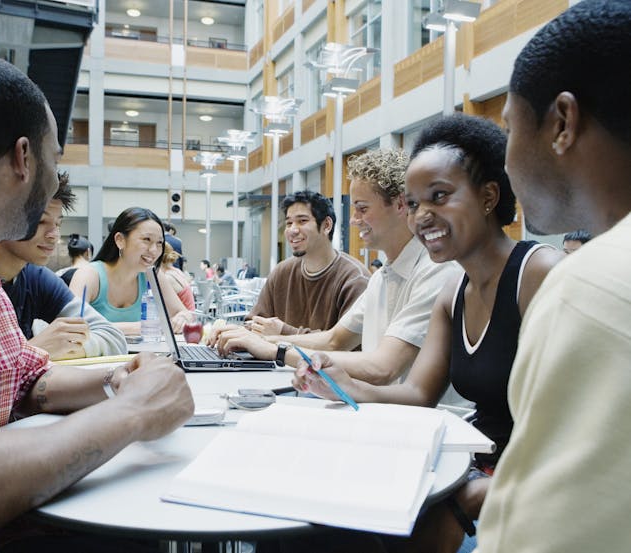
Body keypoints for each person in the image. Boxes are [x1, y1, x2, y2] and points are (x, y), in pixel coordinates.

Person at [0, 57, 193, 552]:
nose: (54, 182)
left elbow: (22, 379)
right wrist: (133, 412)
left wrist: (116, 382)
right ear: (24, 159)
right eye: (54, 159)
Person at [293, 114, 562, 553]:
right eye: (415, 203)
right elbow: (419, 393)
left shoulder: (539, 274)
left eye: (439, 196)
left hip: (524, 483)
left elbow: (569, 431)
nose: (422, 217)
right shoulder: (453, 287)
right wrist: (346, 386)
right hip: (473, 470)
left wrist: (470, 500)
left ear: (490, 196)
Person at [474, 2, 631, 551]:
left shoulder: (586, 287)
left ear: (562, 123)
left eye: (510, 128)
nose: (509, 163)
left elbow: (536, 538)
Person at [213, 150, 458, 386]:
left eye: (362, 208)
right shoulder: (382, 277)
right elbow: (334, 340)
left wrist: (276, 350)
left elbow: (383, 369)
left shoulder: (436, 272)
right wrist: (257, 338)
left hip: (418, 421)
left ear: (400, 205)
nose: (353, 219)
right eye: (289, 223)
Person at [0, 172, 126, 360]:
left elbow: (112, 337)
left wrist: (65, 347)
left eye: (58, 223)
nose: (54, 235)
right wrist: (32, 351)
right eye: (41, 221)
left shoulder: (36, 278)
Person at [243, 190, 370, 335]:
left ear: (327, 225)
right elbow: (255, 322)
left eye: (302, 221)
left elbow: (341, 345)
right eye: (289, 223)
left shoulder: (355, 279)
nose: (292, 230)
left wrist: (283, 332)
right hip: (276, 357)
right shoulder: (282, 272)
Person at [69, 207, 194, 335]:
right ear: (120, 240)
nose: (154, 250)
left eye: (159, 243)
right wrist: (140, 328)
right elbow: (71, 325)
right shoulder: (88, 275)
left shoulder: (152, 275)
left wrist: (183, 318)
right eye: (146, 240)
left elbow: (184, 313)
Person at [161, 241, 195, 310]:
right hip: (189, 316)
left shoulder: (168, 278)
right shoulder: (176, 271)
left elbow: (166, 309)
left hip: (183, 319)